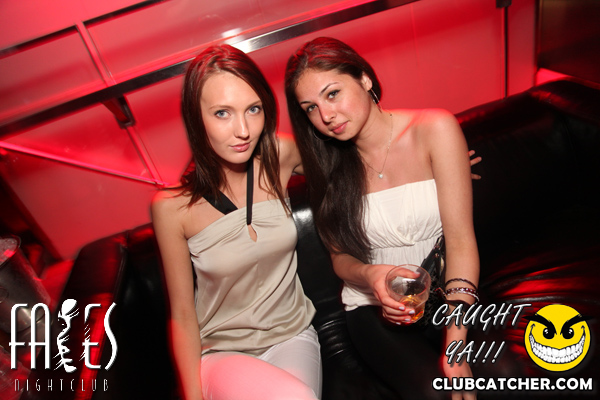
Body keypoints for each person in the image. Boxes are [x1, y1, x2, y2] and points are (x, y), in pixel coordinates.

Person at [284, 37, 480, 400]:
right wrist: (371, 275)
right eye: (310, 107)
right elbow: (340, 258)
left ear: (364, 78)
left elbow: (461, 243)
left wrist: (456, 347)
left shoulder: (434, 129)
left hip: (445, 294)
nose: (325, 116)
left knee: (501, 374)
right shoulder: (327, 163)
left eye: (332, 94)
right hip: (371, 308)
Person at [152, 44, 321, 400]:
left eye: (253, 109)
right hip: (222, 352)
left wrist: (419, 150)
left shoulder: (279, 155)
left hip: (292, 337)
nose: (243, 130)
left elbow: (345, 160)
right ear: (196, 119)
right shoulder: (172, 208)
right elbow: (182, 314)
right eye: (222, 113)